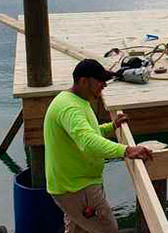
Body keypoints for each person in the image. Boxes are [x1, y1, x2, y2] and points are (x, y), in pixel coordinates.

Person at [44, 59, 154, 233]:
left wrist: (111, 127)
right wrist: (126, 150)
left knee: (79, 229)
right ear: (83, 81)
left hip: (70, 183)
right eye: (100, 80)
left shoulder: (74, 100)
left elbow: (86, 133)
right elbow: (88, 141)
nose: (104, 85)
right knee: (107, 229)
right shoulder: (70, 109)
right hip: (77, 187)